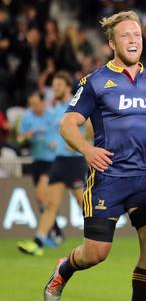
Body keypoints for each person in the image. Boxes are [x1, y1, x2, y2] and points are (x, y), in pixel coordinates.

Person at [43, 10, 146, 301]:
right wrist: (87, 149)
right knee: (96, 253)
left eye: (136, 35)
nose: (133, 41)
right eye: (125, 36)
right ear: (112, 44)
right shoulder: (95, 82)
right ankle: (64, 268)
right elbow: (67, 124)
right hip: (109, 176)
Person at [18, 73, 88, 256]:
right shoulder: (56, 108)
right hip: (59, 161)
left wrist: (78, 143)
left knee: (83, 202)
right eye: (54, 85)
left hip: (74, 160)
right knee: (50, 204)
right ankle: (38, 243)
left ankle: (98, 237)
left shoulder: (76, 103)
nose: (54, 88)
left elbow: (90, 126)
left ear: (67, 87)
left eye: (58, 85)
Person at [16, 92, 59, 246]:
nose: (33, 107)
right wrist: (26, 136)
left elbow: (60, 132)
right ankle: (55, 231)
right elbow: (19, 138)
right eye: (31, 104)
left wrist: (56, 143)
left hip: (51, 161)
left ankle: (49, 233)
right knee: (42, 200)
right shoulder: (27, 117)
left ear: (42, 102)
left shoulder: (52, 116)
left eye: (36, 104)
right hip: (37, 160)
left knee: (42, 196)